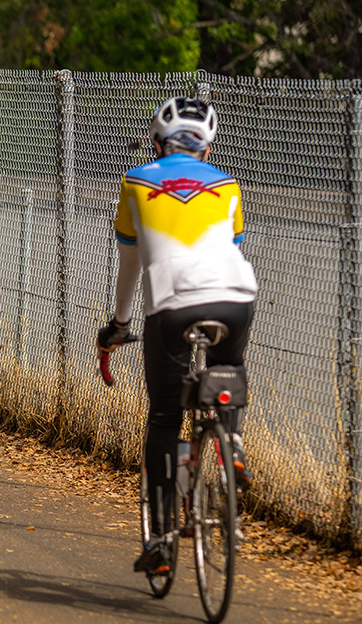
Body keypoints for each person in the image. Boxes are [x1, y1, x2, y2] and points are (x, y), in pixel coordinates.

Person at [96, 97, 257, 576]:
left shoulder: (136, 180)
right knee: (226, 377)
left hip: (171, 305)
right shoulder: (228, 186)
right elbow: (229, 247)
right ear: (208, 147)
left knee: (166, 417)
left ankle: (163, 541)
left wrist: (120, 324)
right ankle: (233, 442)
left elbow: (129, 264)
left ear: (156, 140)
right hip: (236, 295)